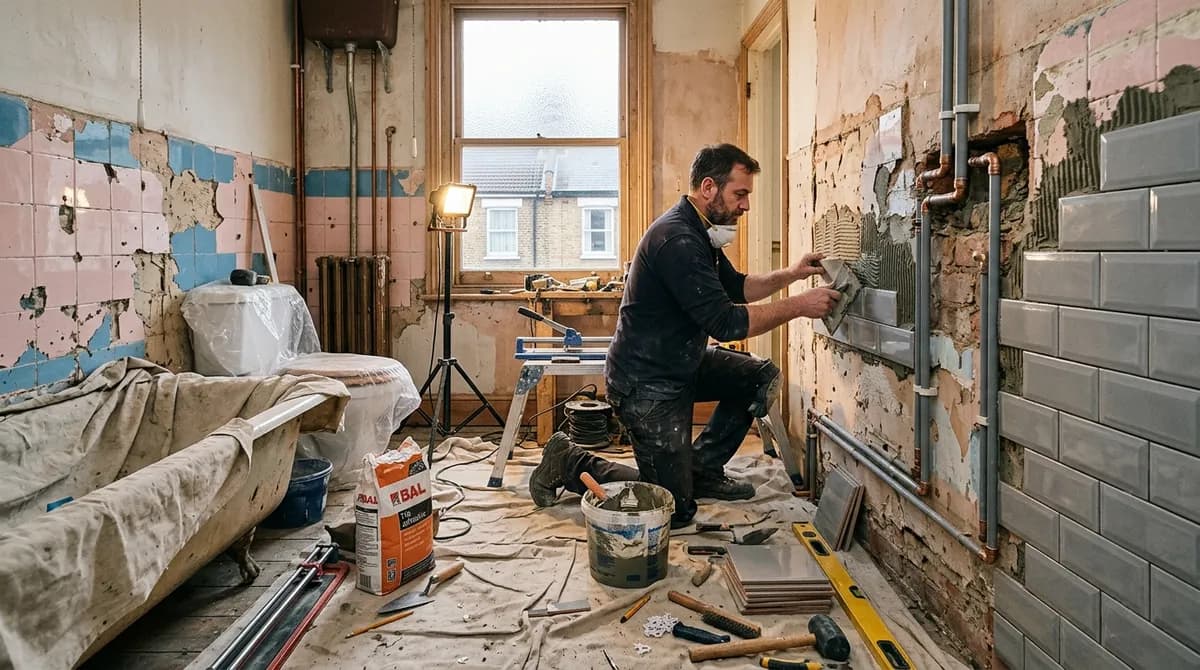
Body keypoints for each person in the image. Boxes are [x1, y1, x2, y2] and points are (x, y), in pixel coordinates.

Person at [529, 143, 841, 527]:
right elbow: (725, 324)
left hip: (680, 362)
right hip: (646, 383)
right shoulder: (678, 240)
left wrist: (791, 275)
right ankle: (571, 460)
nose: (745, 205)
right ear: (709, 188)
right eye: (739, 194)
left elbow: (737, 287)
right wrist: (800, 306)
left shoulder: (700, 231)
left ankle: (702, 471)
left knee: (758, 376)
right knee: (672, 509)